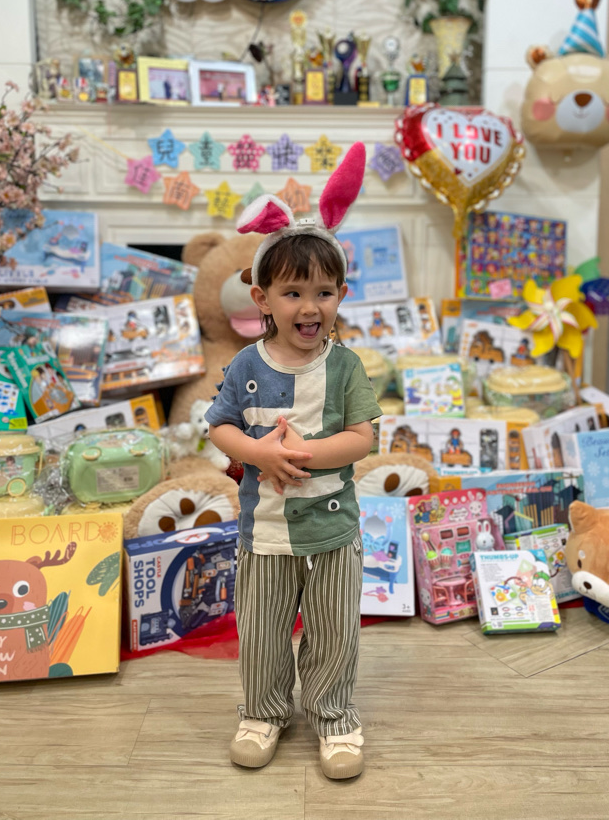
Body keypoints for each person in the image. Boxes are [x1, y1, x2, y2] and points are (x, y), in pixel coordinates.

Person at [206, 144, 379, 780]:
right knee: (263, 626)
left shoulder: (346, 366)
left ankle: (334, 715)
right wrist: (258, 453)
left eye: (324, 292)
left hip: (333, 528)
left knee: (334, 628)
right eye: (294, 292)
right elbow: (219, 425)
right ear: (262, 298)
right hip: (265, 529)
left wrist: (300, 454)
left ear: (341, 295)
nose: (311, 307)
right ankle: (263, 711)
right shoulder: (246, 365)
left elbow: (362, 437)